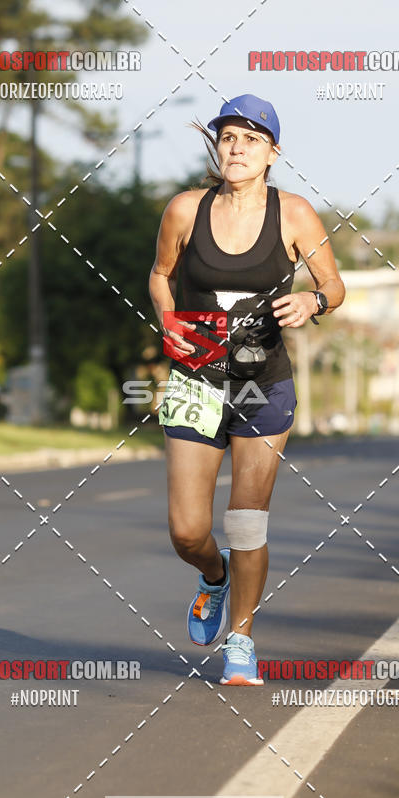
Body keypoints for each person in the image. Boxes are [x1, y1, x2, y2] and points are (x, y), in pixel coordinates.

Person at [149, 94, 345, 685]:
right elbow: (161, 276)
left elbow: (333, 285)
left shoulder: (295, 215)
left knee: (246, 524)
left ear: (272, 153)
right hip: (196, 380)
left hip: (264, 384)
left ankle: (241, 640)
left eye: (251, 140)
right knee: (188, 530)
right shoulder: (185, 210)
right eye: (228, 137)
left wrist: (314, 301)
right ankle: (214, 578)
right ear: (218, 146)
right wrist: (168, 321)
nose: (237, 148)